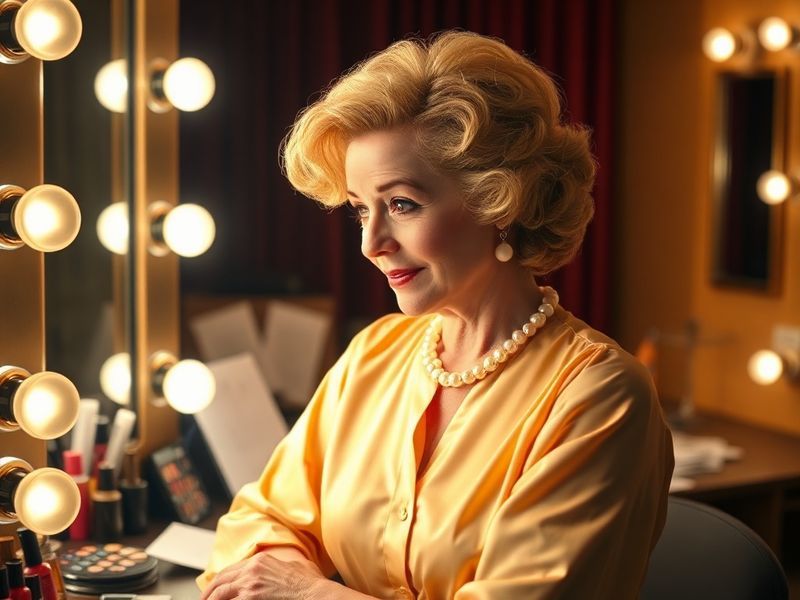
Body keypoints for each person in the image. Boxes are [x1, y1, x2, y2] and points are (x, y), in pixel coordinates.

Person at [199, 31, 673, 599]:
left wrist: (306, 592)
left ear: (500, 201)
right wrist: (282, 575)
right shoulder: (375, 353)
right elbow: (259, 522)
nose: (371, 243)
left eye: (402, 204)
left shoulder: (600, 395)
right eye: (360, 210)